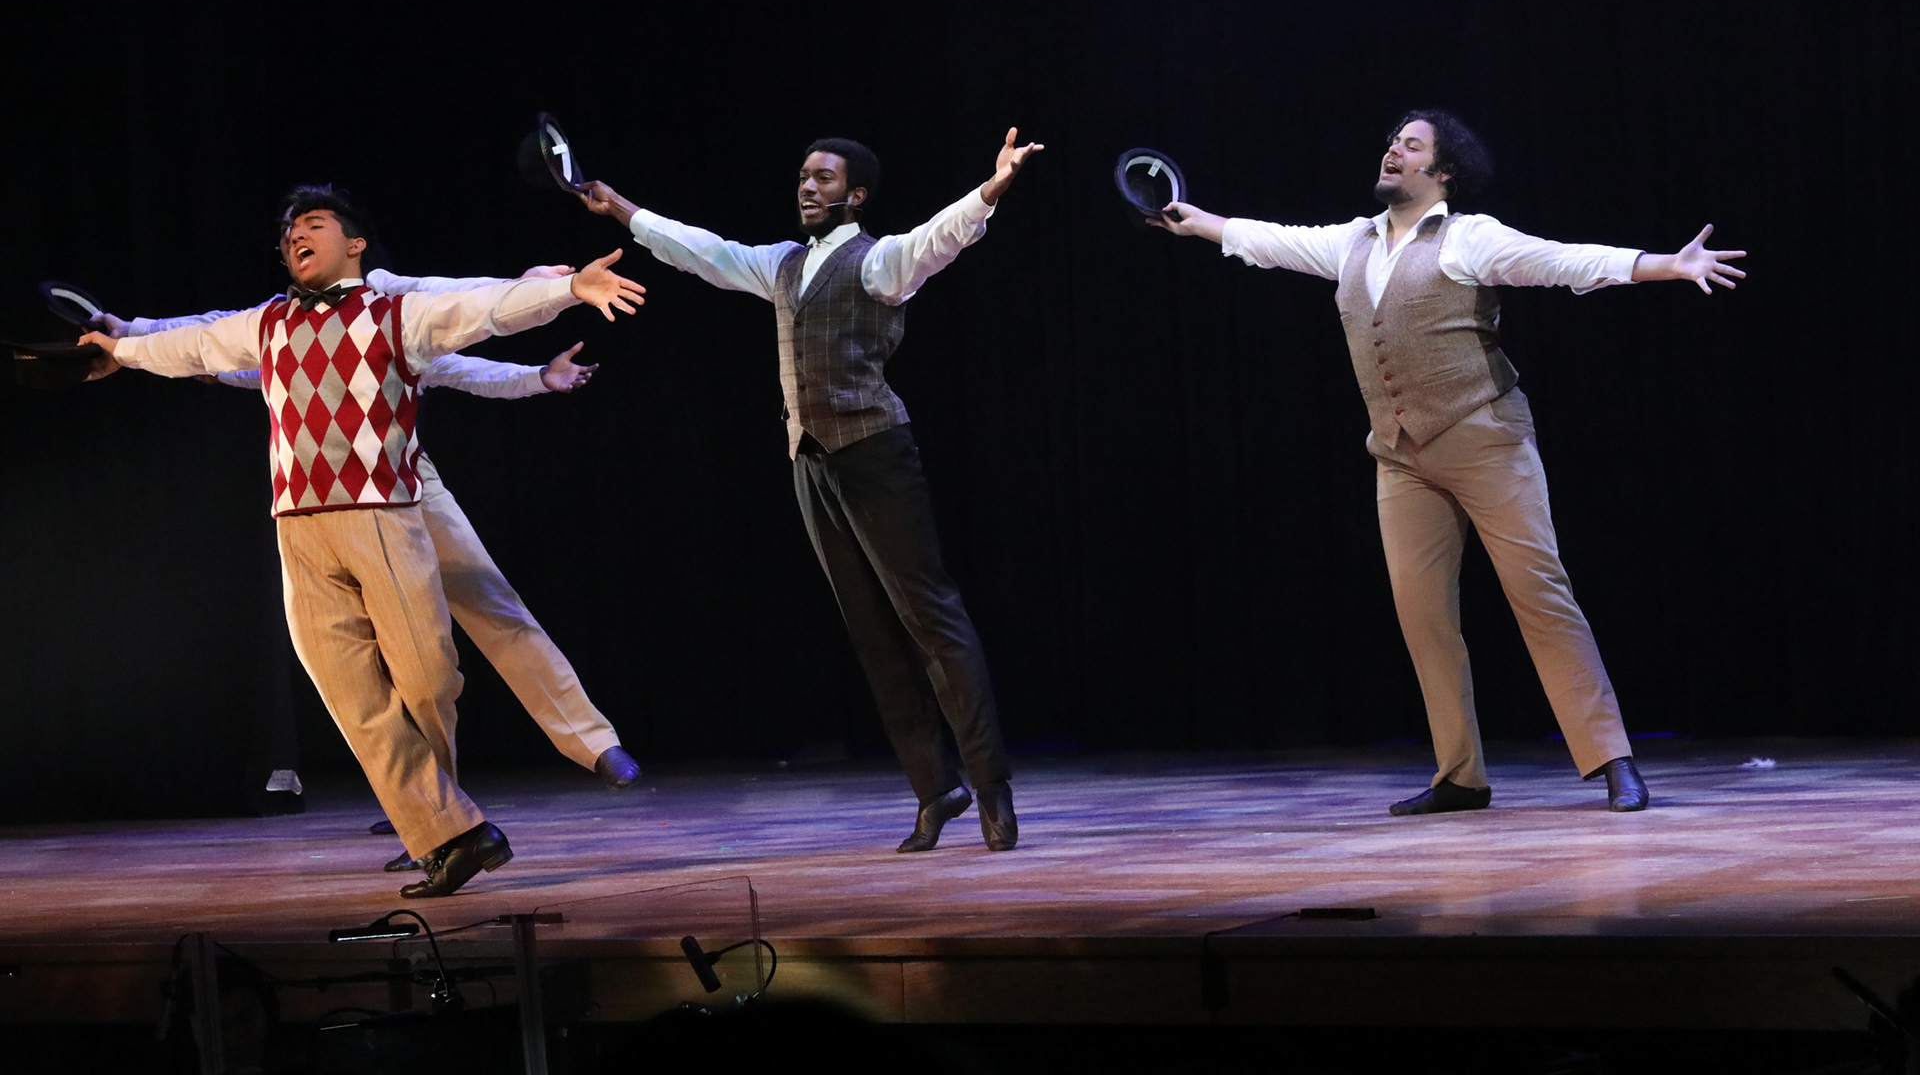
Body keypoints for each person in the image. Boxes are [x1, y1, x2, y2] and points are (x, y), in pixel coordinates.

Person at [1151, 110, 1746, 815]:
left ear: (1443, 172)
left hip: (1486, 439)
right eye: (1392, 142)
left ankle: (1611, 756)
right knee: (1423, 614)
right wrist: (1198, 221)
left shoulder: (1469, 237)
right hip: (1401, 457)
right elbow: (1273, 241)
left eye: (1411, 145)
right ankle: (1460, 775)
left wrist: (1663, 265)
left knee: (1540, 596)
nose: (1393, 151)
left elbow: (1560, 261)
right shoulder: (1353, 242)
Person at [80, 185, 646, 895]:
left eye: (313, 223)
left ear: (354, 244)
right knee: (349, 691)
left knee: (433, 668)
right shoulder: (268, 324)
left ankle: (560, 758)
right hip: (298, 523)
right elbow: (195, 341)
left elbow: (481, 309)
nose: (295, 234)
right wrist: (124, 346)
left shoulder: (393, 311)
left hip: (385, 499)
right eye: (288, 230)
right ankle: (448, 831)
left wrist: (562, 294)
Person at [575, 129, 1042, 851]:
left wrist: (991, 189)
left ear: (856, 194)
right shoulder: (783, 265)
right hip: (811, 461)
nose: (808, 186)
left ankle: (989, 785)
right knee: (871, 634)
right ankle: (934, 789)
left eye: (824, 177)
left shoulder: (878, 260)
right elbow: (705, 251)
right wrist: (624, 211)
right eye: (803, 175)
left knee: (931, 619)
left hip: (875, 451)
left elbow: (939, 239)